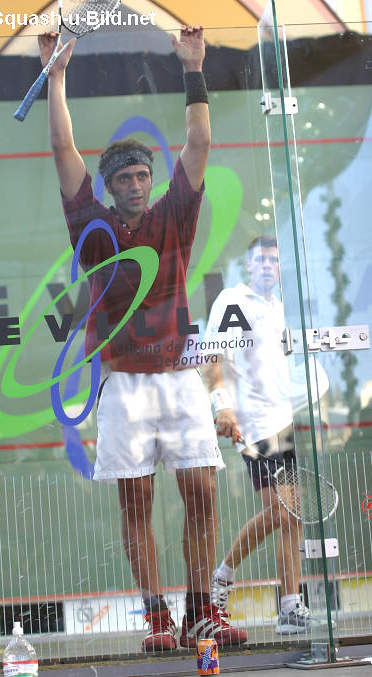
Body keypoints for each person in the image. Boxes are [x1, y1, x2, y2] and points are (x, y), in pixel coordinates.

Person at [39, 26, 246, 651]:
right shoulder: (92, 225)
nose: (135, 183)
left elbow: (200, 141)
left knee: (202, 493)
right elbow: (62, 147)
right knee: (135, 504)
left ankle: (201, 612)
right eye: (124, 178)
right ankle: (157, 618)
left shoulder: (173, 215)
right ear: (109, 186)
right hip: (124, 385)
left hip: (181, 379)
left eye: (141, 175)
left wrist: (193, 67)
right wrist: (55, 76)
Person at [203, 234, 329, 635]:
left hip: (282, 423)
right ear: (248, 265)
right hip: (252, 425)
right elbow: (211, 357)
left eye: (274, 260)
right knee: (281, 511)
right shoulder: (233, 300)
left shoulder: (279, 307)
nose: (268, 266)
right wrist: (222, 406)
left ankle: (290, 606)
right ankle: (223, 575)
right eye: (261, 260)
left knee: (291, 514)